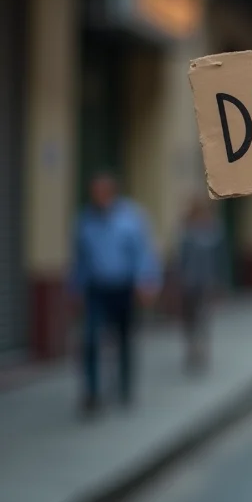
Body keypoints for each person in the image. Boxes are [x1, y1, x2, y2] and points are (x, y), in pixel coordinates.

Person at [71, 172, 161, 414]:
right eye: (95, 191)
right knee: (90, 339)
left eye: (103, 191)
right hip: (96, 288)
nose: (98, 196)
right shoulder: (85, 220)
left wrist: (147, 280)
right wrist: (76, 288)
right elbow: (79, 258)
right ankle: (91, 392)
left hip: (123, 287)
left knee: (123, 339)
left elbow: (143, 252)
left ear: (112, 192)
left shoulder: (131, 218)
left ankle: (124, 387)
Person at [176, 196, 225, 375]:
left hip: (206, 282)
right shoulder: (187, 232)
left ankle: (202, 350)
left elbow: (219, 259)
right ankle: (191, 348)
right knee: (189, 319)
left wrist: (219, 282)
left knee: (203, 317)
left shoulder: (214, 232)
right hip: (189, 282)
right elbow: (181, 258)